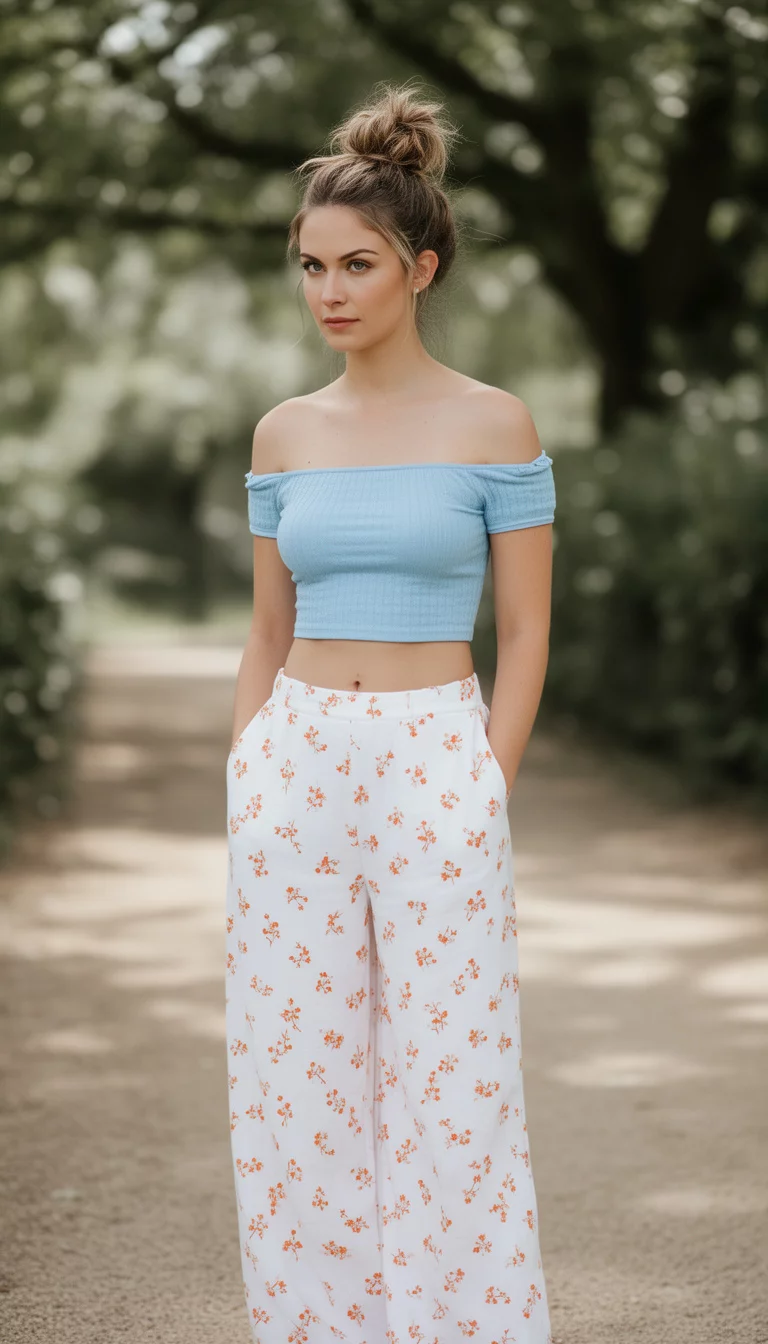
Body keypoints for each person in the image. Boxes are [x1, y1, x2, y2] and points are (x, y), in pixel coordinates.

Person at [225, 80, 555, 1344]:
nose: (329, 291)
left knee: (456, 1083)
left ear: (420, 267)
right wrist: (248, 768)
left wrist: (485, 779)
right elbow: (265, 628)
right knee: (295, 1085)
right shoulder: (283, 435)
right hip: (297, 760)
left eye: (357, 263)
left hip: (438, 756)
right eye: (310, 265)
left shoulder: (494, 423)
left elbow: (524, 632)